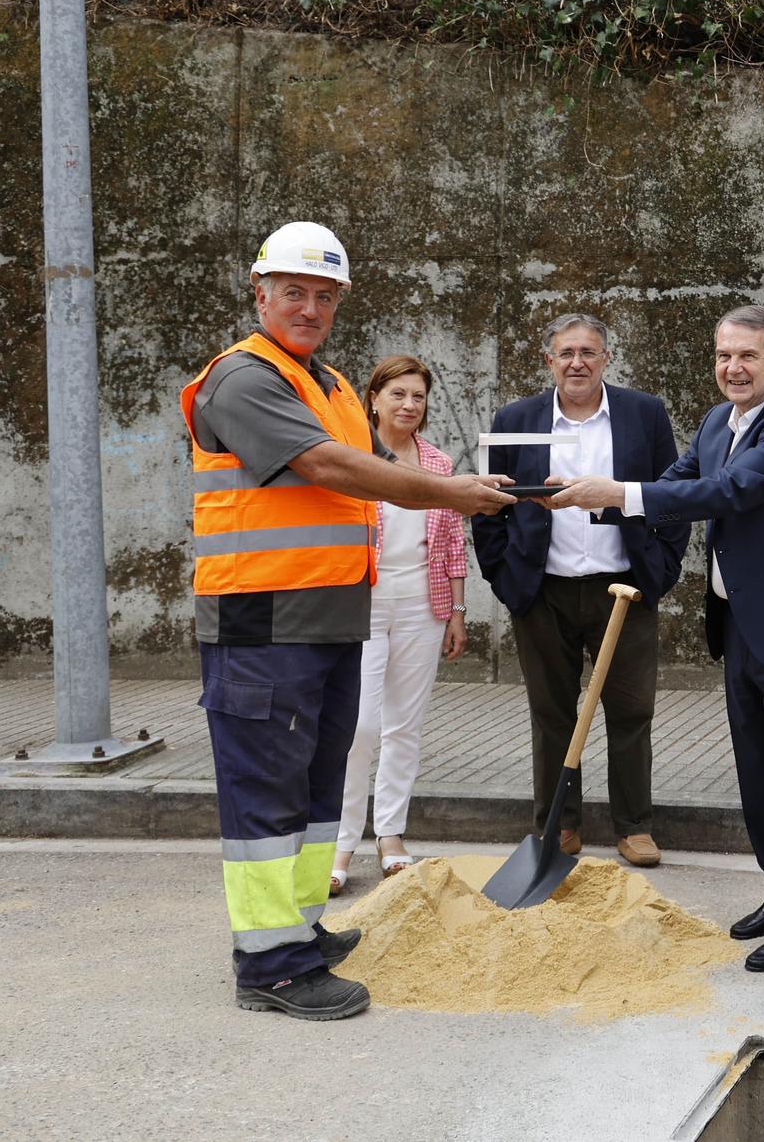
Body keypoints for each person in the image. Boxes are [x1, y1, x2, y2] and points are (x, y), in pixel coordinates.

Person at [184, 223, 512, 1020]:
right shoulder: (243, 378)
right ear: (259, 292)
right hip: (262, 619)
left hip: (330, 617)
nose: (308, 306)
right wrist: (452, 492)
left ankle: (296, 929)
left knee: (315, 787)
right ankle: (270, 966)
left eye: (323, 296)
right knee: (267, 791)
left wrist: (470, 484)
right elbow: (335, 466)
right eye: (293, 291)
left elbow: (387, 461)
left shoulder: (326, 382)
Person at [548, 305, 764, 973]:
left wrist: (620, 493)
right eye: (723, 356)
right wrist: (587, 493)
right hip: (740, 620)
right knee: (756, 773)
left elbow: (728, 490)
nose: (732, 368)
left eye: (747, 355)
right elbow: (683, 478)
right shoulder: (720, 421)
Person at [472, 314, 687, 871]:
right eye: (566, 353)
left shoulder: (644, 414)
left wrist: (659, 569)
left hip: (625, 590)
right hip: (543, 592)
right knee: (551, 712)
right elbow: (487, 507)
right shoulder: (516, 421)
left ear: (606, 358)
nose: (577, 363)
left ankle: (634, 826)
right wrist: (505, 577)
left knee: (632, 709)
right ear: (549, 360)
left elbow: (671, 495)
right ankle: (558, 824)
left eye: (588, 352)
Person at [330, 355, 469, 896]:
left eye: (418, 396)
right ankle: (341, 841)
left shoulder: (437, 462)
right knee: (358, 726)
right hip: (360, 601)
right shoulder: (353, 458)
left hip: (423, 602)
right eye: (398, 395)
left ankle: (391, 835)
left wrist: (457, 610)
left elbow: (454, 541)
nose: (409, 405)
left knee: (404, 725)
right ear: (373, 399)